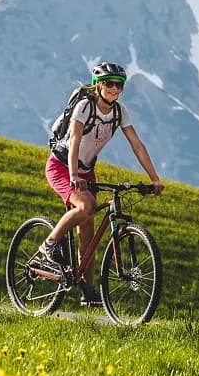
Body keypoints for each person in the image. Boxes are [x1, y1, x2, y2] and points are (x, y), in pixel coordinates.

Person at [41, 61, 166, 304]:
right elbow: (75, 140)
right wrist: (74, 175)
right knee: (85, 206)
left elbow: (137, 145)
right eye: (109, 83)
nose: (114, 89)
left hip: (86, 171)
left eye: (119, 85)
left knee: (87, 229)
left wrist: (154, 178)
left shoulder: (119, 112)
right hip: (62, 166)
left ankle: (87, 291)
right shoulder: (84, 107)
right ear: (98, 85)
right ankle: (50, 243)